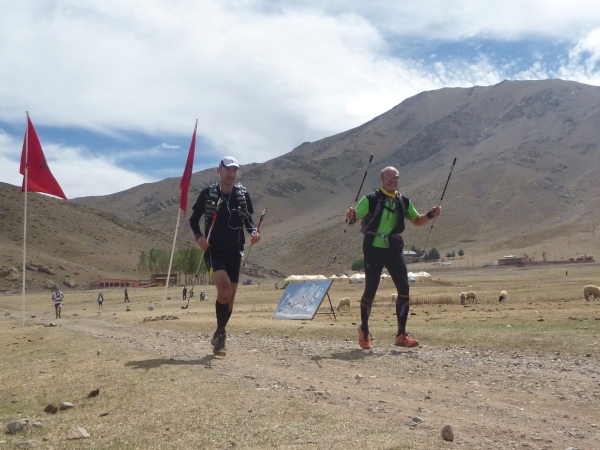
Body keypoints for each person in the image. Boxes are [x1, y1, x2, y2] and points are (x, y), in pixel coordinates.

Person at [345, 166, 441, 349]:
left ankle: (401, 335)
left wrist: (430, 215)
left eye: (395, 177)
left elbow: (417, 220)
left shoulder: (403, 201)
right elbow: (353, 220)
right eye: (388, 177)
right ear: (381, 180)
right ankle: (364, 330)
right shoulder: (370, 199)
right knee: (370, 291)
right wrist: (350, 216)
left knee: (404, 289)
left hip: (394, 247)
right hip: (373, 248)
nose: (392, 180)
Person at [189, 156, 261, 356]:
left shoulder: (242, 195)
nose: (231, 173)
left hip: (235, 251)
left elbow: (248, 221)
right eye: (227, 169)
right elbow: (194, 220)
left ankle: (219, 331)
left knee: (229, 300)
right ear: (219, 170)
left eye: (234, 170)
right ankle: (221, 336)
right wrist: (199, 237)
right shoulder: (207, 194)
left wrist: (254, 232)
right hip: (213, 251)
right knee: (225, 291)